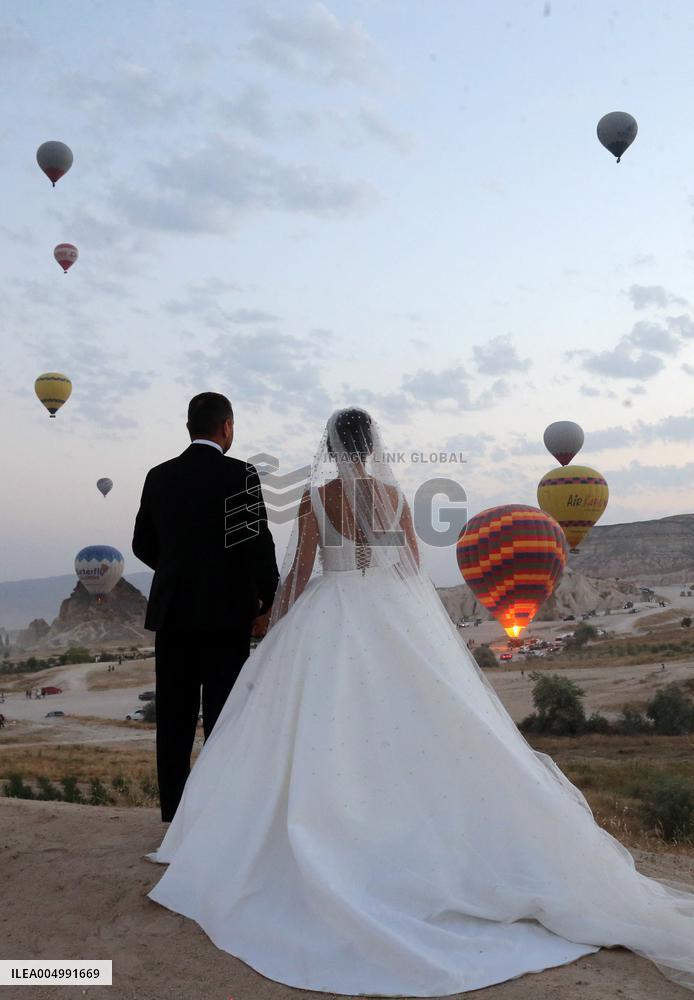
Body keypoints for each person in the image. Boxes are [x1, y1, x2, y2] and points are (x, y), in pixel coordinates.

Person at [147, 409, 694, 995]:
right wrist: (424, 633)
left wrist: (274, 624)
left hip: (328, 618)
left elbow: (301, 571)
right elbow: (410, 568)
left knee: (320, 731)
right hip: (386, 615)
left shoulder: (315, 500)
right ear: (372, 445)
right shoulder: (395, 497)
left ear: (331, 447)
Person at [133, 392, 279, 822]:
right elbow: (257, 546)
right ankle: (218, 814)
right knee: (223, 716)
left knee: (174, 719)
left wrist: (179, 570)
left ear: (189, 427)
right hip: (226, 615)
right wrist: (267, 602)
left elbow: (142, 544)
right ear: (227, 427)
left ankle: (175, 818)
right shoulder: (241, 475)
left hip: (174, 614)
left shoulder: (158, 476)